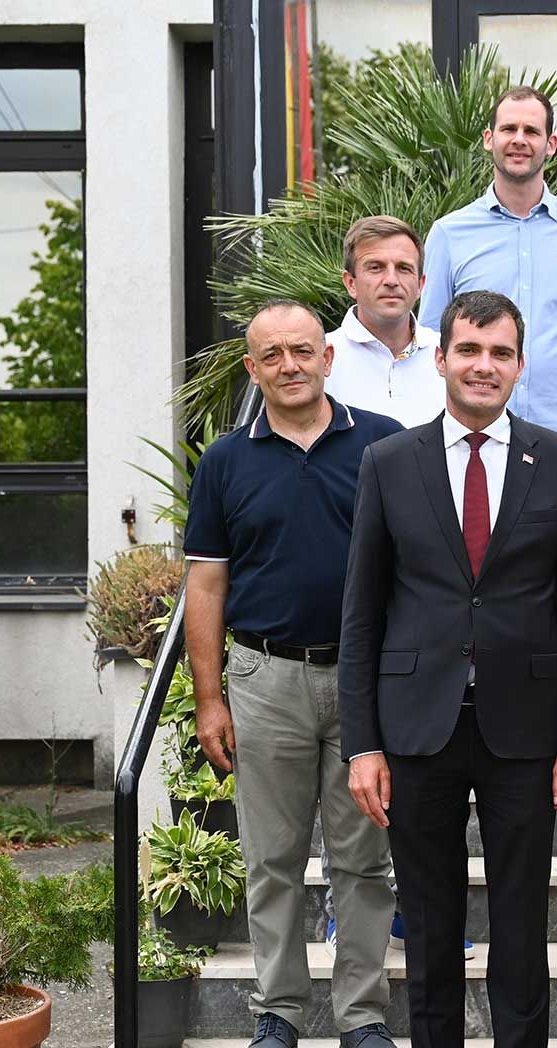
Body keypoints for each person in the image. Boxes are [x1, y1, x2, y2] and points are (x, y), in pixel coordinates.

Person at [337, 290, 557, 1048]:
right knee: (429, 926)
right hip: (415, 727)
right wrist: (362, 744)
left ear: (520, 365)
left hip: (525, 729)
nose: (483, 366)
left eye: (500, 353)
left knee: (521, 925)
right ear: (441, 358)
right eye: (469, 350)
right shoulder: (389, 463)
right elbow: (361, 613)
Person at [183, 299, 404, 1048]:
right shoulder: (225, 462)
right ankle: (278, 1012)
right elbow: (206, 586)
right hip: (264, 678)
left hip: (363, 683)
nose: (289, 365)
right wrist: (208, 699)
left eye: (302, 350)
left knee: (363, 861)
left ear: (328, 358)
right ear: (253, 369)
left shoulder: (382, 445)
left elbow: (416, 567)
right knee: (272, 860)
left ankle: (362, 1017)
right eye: (272, 355)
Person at [419, 86, 557, 435]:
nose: (519, 140)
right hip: (476, 434)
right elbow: (432, 339)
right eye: (509, 129)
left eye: (531, 131)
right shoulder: (449, 234)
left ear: (550, 144)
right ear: (489, 139)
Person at [326, 215, 446, 431]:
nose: (391, 280)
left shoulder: (450, 355)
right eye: (376, 267)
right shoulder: (321, 358)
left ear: (420, 285)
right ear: (351, 283)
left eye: (404, 268)